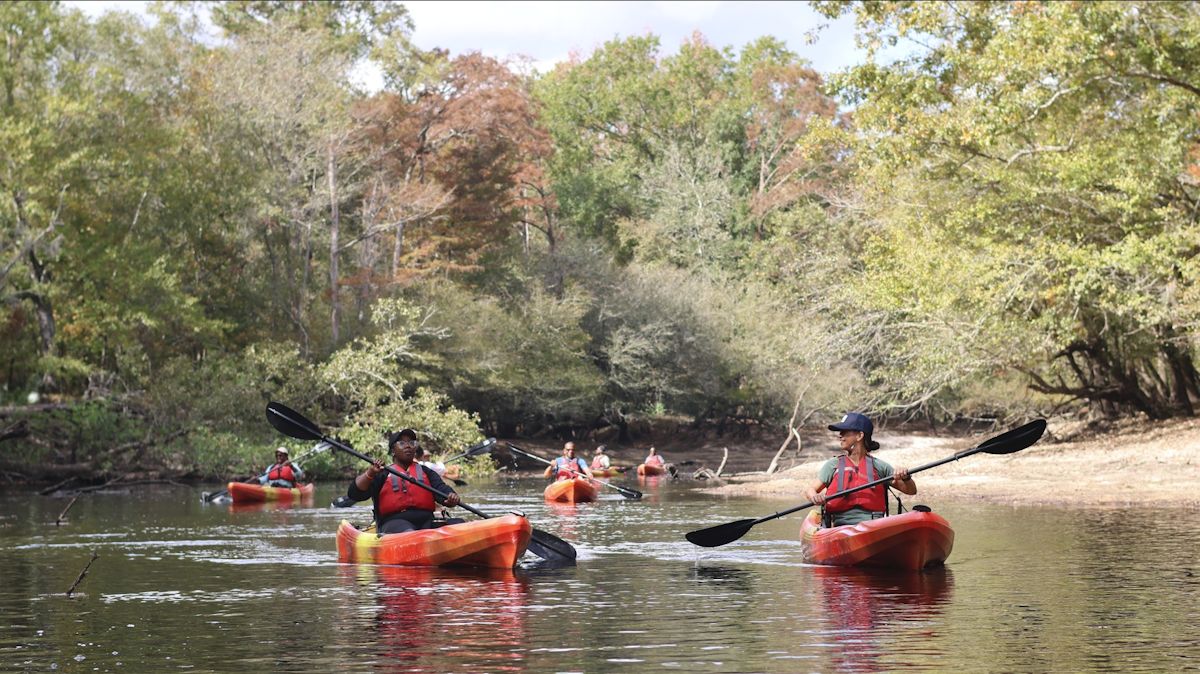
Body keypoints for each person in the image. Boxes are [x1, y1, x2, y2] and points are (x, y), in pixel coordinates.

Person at [805, 412, 916, 528]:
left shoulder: (879, 466)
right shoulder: (833, 465)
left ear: (859, 436)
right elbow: (810, 490)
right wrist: (815, 497)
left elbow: (911, 490)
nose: (840, 435)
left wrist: (906, 477)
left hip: (874, 526)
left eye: (845, 432)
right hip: (839, 526)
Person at [347, 428, 462, 534]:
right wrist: (370, 473)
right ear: (393, 450)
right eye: (402, 443)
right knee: (409, 531)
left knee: (458, 523)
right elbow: (355, 494)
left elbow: (442, 490)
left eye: (411, 443)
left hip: (426, 522)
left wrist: (450, 498)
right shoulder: (382, 473)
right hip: (393, 524)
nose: (408, 446)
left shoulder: (426, 471)